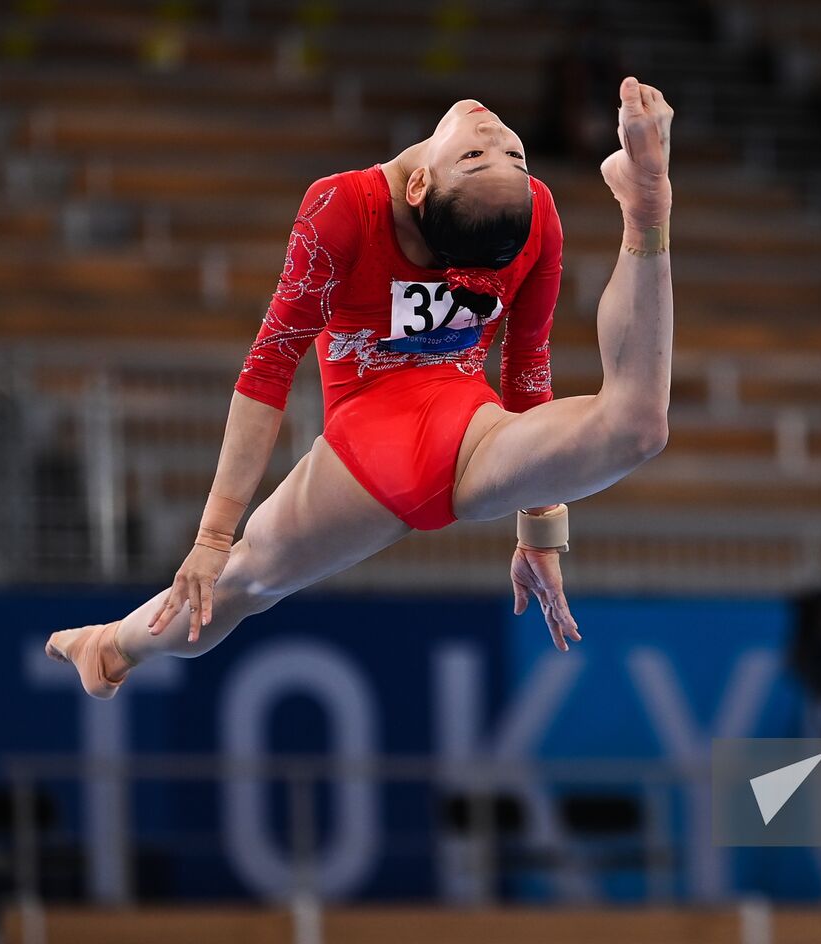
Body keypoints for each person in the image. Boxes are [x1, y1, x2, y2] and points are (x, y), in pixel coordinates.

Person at [45, 77, 675, 698]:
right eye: (481, 156)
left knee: (639, 428)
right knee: (233, 586)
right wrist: (213, 537)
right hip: (373, 443)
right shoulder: (344, 207)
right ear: (420, 185)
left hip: (473, 433)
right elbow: (270, 364)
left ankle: (646, 214)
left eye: (510, 156)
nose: (496, 136)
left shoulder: (527, 214)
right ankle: (111, 647)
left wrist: (539, 523)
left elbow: (527, 362)